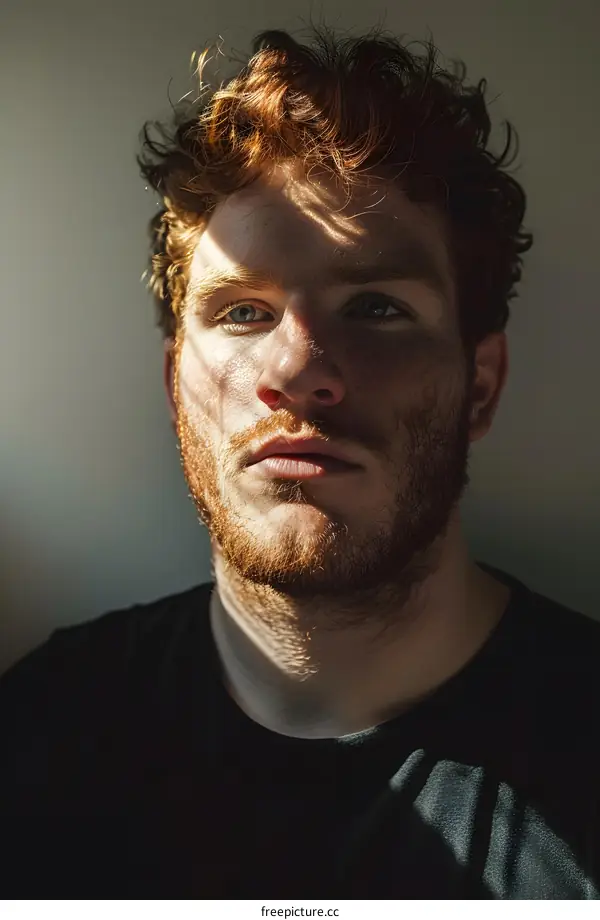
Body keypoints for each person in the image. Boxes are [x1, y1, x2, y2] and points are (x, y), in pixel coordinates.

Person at [1, 23, 599, 899]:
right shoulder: (39, 731)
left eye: (378, 307)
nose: (299, 373)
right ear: (177, 385)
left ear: (480, 385)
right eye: (244, 313)